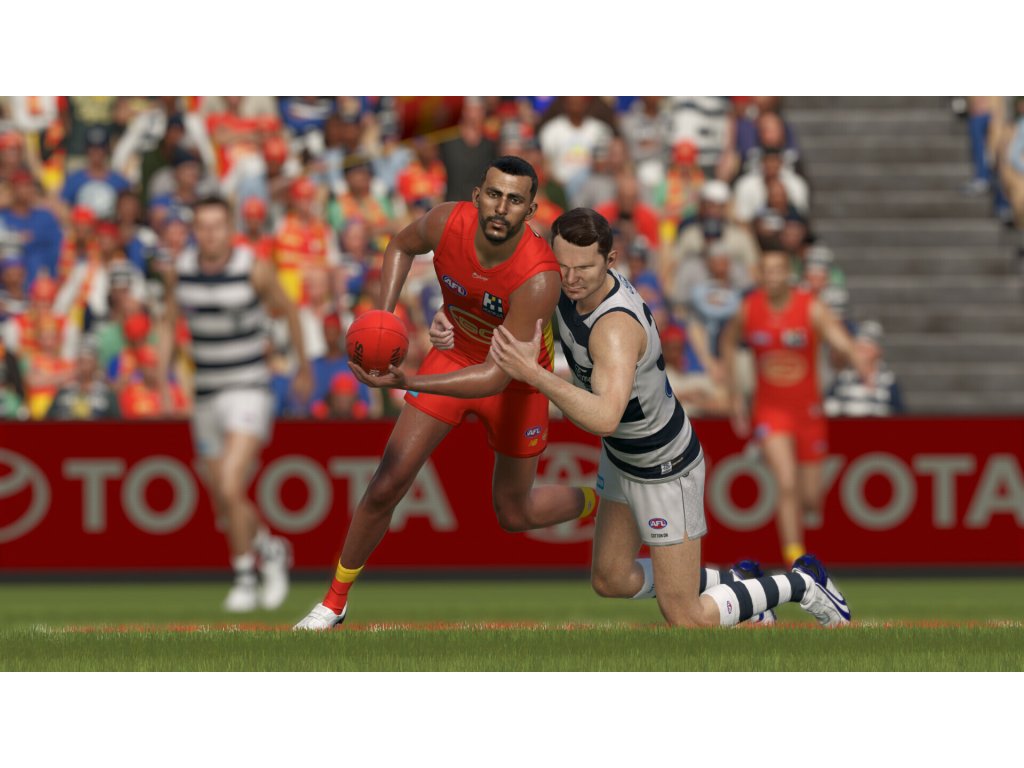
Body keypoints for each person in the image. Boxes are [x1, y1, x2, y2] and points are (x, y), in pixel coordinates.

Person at [487, 208, 849, 628]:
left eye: (583, 268)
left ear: (611, 260)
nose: (570, 278)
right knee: (610, 578)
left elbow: (604, 418)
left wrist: (534, 374)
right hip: (623, 457)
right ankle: (736, 584)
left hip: (662, 466)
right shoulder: (566, 285)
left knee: (685, 616)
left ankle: (803, 583)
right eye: (562, 265)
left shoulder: (614, 329)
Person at [293, 156, 599, 630]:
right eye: (494, 195)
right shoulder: (445, 222)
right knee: (387, 483)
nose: (501, 207)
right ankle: (334, 603)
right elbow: (400, 245)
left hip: (516, 382)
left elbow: (496, 376)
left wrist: (408, 381)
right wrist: (384, 318)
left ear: (531, 210)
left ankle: (603, 498)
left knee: (514, 512)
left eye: (514, 200)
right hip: (455, 355)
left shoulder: (539, 276)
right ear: (476, 196)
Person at [158, 196, 313, 613]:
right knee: (223, 500)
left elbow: (290, 311)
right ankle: (270, 548)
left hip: (248, 387)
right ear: (194, 230)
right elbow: (169, 322)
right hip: (205, 392)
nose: (209, 234)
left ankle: (244, 576)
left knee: (229, 485)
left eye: (217, 226)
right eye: (202, 226)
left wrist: (302, 368)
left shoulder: (253, 268)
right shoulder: (181, 270)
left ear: (230, 230)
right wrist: (162, 380)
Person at [719, 248, 870, 567]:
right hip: (770, 411)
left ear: (789, 273)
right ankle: (794, 557)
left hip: (808, 413)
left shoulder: (809, 306)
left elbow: (838, 338)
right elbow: (728, 342)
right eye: (766, 270)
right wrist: (735, 396)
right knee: (785, 483)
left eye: (778, 270)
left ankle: (800, 534)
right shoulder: (749, 308)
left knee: (811, 499)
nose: (772, 276)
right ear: (759, 274)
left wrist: (859, 363)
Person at [824, 320, 905, 417]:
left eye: (866, 348)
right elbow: (828, 409)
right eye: (859, 348)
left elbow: (899, 415)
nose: (861, 353)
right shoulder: (843, 378)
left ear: (878, 351)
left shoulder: (888, 381)